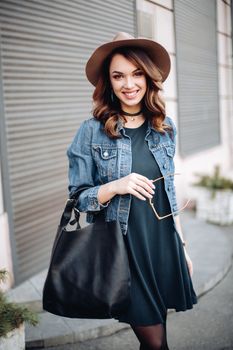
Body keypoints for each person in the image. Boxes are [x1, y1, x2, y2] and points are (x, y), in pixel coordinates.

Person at [67, 32, 198, 350]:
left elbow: (168, 189)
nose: (129, 84)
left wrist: (182, 244)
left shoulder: (164, 126)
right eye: (118, 75)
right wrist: (114, 186)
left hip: (162, 243)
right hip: (125, 250)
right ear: (108, 82)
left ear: (149, 76)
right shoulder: (91, 131)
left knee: (158, 338)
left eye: (137, 73)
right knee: (155, 343)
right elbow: (78, 197)